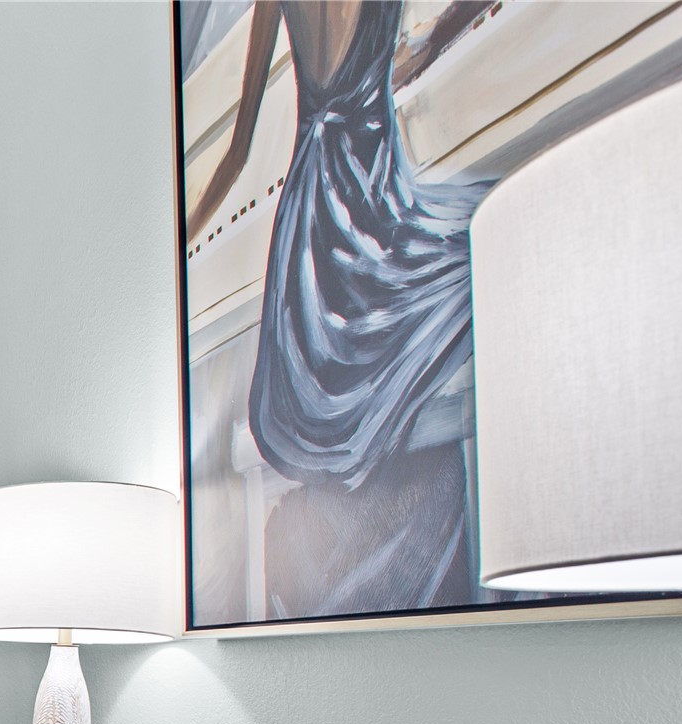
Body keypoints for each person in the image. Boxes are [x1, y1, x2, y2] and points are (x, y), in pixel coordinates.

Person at [188, 0, 494, 617]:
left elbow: (238, 152)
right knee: (482, 238)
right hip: (368, 203)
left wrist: (181, 238)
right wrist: (428, 40)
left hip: (305, 230)